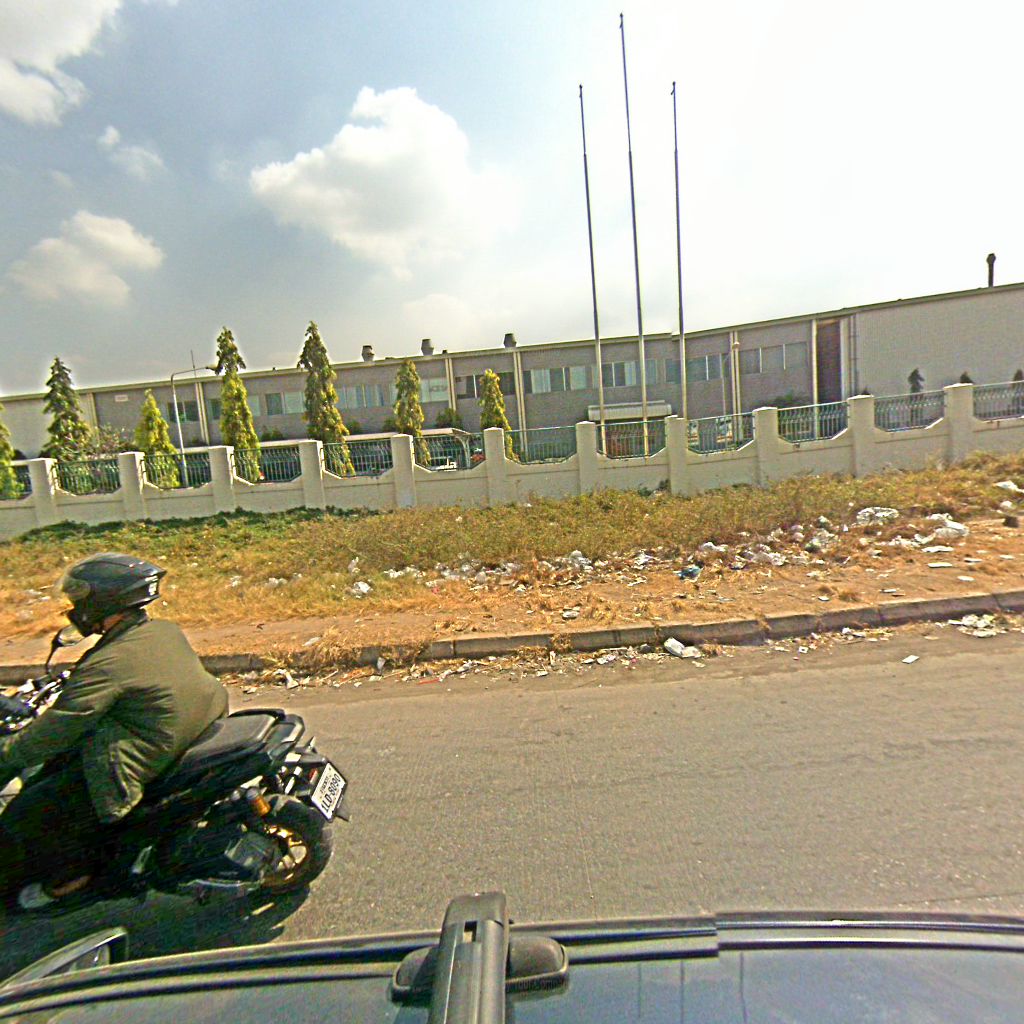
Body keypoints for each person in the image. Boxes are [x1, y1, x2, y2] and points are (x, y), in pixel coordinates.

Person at [0, 553, 228, 911]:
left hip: (133, 760)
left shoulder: (108, 665)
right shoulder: (160, 631)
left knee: (28, 813)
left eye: (79, 600)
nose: (74, 609)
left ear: (103, 601)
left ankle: (69, 882)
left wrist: (7, 756)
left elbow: (57, 728)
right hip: (177, 730)